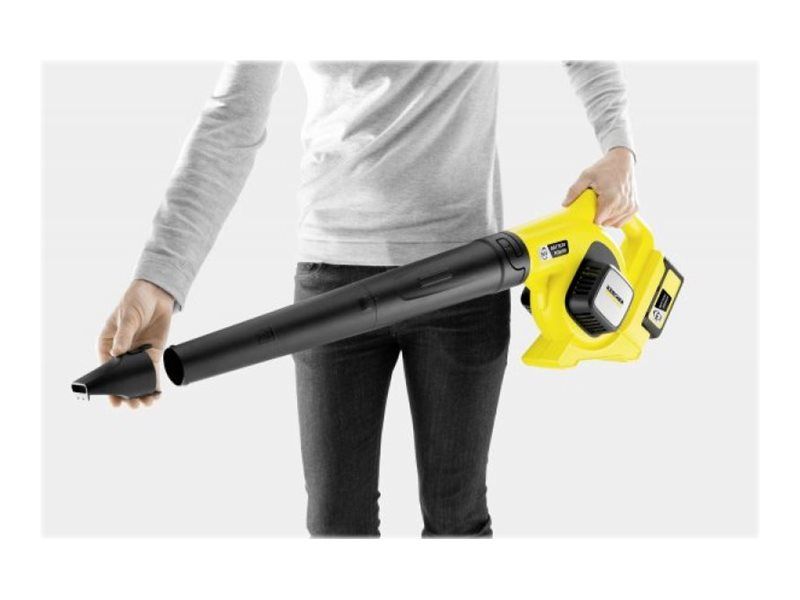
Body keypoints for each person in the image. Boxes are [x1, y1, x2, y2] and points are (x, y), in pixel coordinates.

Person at [97, 61, 637, 537]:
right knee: (336, 525)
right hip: (332, 280)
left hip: (466, 277)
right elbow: (232, 119)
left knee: (457, 521)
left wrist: (619, 148)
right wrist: (159, 279)